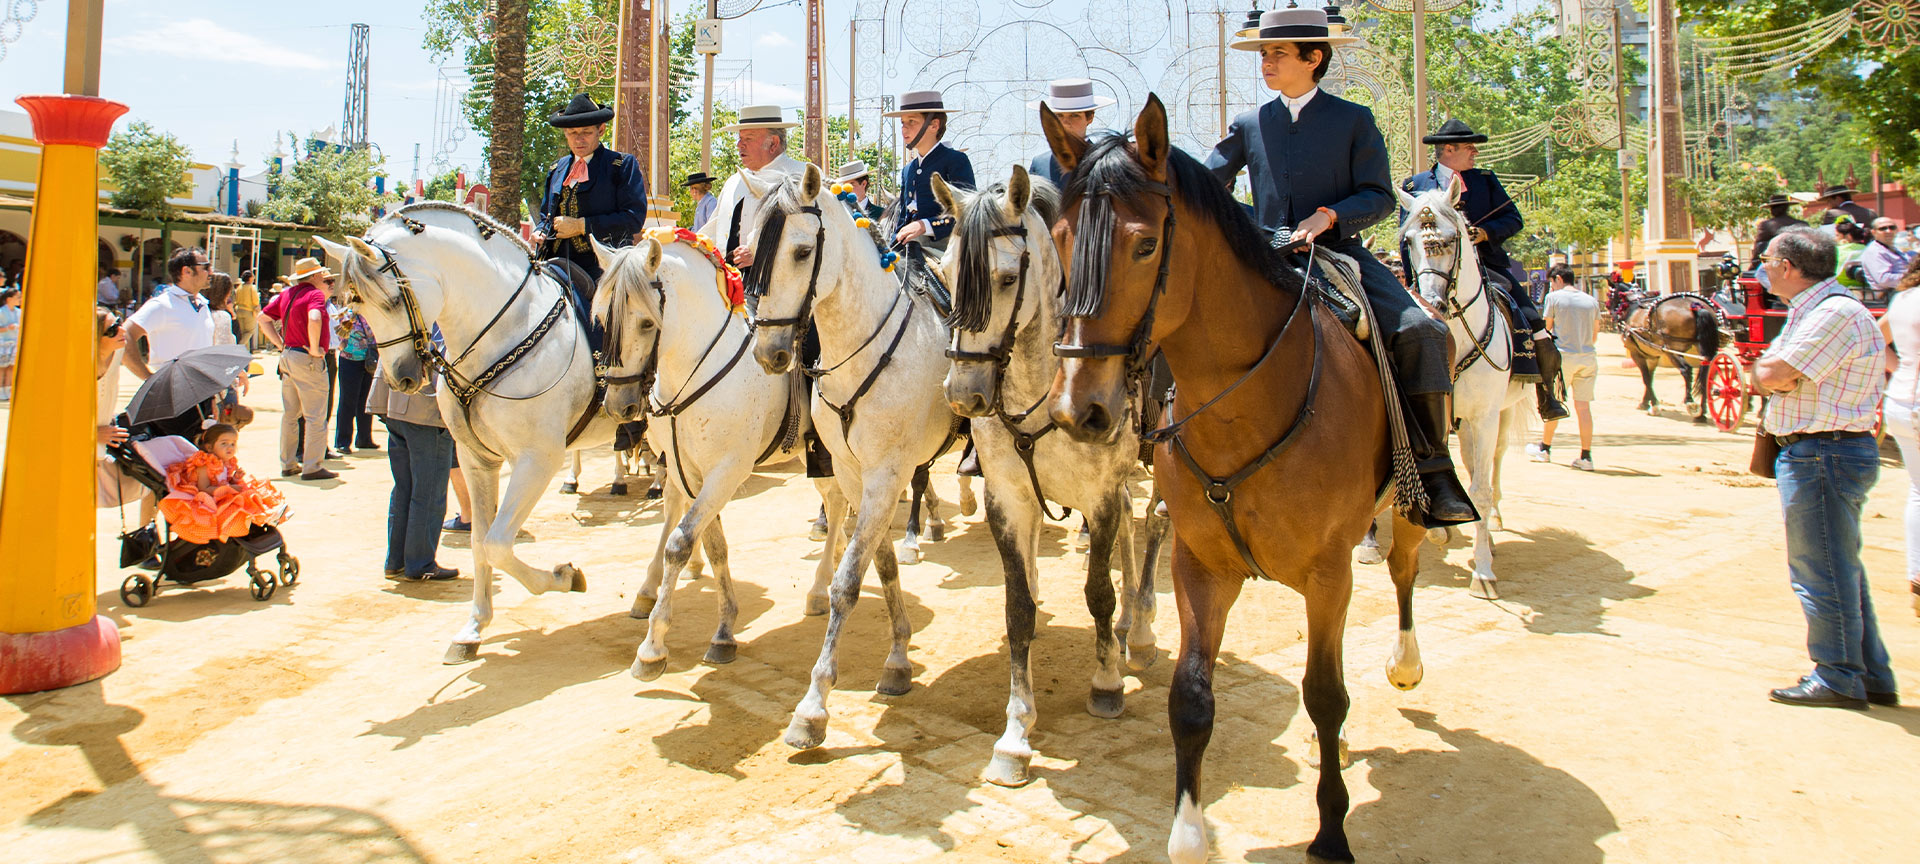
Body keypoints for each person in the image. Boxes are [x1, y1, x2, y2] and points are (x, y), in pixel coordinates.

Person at [1205, 7, 1475, 526]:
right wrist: (1253, 227)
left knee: (1421, 329)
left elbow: (1377, 196)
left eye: (1277, 53)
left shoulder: (1355, 120)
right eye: (1263, 54)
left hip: (1340, 254)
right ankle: (1164, 450)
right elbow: (1205, 186)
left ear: (1314, 57)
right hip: (1262, 258)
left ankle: (1434, 471)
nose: (1266, 62)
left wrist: (1328, 216)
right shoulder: (1247, 124)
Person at [1753, 225, 1895, 709]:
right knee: (1840, 569)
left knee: (1820, 572)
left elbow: (1769, 373)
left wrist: (1775, 379)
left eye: (1768, 259)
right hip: (1823, 450)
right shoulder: (1816, 310)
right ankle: (1869, 672)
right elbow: (1776, 376)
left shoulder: (1830, 314)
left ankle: (1836, 675)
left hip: (1822, 452)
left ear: (1788, 268)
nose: (1763, 266)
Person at [1401, 117, 1568, 423]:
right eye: (1469, 148)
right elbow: (1407, 237)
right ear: (1448, 150)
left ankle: (1548, 394)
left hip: (1485, 265)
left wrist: (1485, 232)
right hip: (1433, 271)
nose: (1475, 153)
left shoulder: (1485, 180)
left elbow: (1513, 219)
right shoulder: (1415, 186)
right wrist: (1413, 281)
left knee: (1535, 322)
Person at [532, 93, 649, 282]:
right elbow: (546, 216)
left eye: (586, 132)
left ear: (600, 130)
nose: (579, 139)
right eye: (572, 133)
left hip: (603, 266)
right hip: (553, 262)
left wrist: (581, 226)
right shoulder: (556, 169)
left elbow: (633, 219)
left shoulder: (620, 165)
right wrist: (540, 231)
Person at [367, 362, 460, 581]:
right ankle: (420, 563)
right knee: (428, 493)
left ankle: (396, 561)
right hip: (423, 409)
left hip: (395, 403)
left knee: (404, 489)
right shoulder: (434, 325)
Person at [260, 258, 338, 481]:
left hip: (289, 355)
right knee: (315, 416)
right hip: (307, 358)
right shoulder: (314, 294)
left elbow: (263, 318)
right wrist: (315, 348)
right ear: (314, 277)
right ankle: (312, 466)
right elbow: (314, 318)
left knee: (290, 414)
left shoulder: (287, 293)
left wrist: (280, 343)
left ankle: (288, 463)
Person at [702, 104, 805, 270]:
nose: (739, 145)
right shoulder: (733, 182)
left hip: (779, 290)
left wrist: (761, 255)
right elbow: (713, 230)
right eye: (740, 138)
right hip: (727, 287)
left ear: (773, 143)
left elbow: (810, 238)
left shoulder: (803, 177)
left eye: (748, 138)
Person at [156, 423, 289, 545]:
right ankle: (261, 517)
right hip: (206, 498)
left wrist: (235, 479)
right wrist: (228, 488)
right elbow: (203, 488)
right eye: (224, 443)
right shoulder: (204, 465)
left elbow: (225, 480)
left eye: (233, 444)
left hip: (220, 493)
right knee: (241, 501)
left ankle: (268, 514)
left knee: (250, 490)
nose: (230, 448)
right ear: (209, 447)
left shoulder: (225, 462)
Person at [884, 89, 974, 255]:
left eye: (912, 121)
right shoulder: (907, 170)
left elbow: (967, 214)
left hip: (944, 248)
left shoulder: (956, 160)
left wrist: (926, 225)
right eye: (902, 123)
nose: (904, 129)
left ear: (934, 125)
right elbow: (903, 219)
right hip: (907, 248)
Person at [1879, 257, 1920, 617]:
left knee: (1918, 493)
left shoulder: (1904, 299)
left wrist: (1901, 369)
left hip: (1902, 403)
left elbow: (1877, 340)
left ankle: (1917, 579)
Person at [1529, 266, 1601, 470]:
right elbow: (1595, 335)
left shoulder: (1554, 298)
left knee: (1555, 403)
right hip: (1588, 357)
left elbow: (1547, 329)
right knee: (1584, 408)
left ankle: (1545, 448)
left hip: (1563, 357)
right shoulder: (1591, 300)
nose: (1551, 286)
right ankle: (1586, 456)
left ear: (1558, 279)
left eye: (1552, 282)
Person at [124, 248, 216, 380]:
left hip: (201, 388)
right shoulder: (162, 305)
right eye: (206, 267)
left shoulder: (202, 303)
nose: (211, 272)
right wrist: (149, 378)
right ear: (187, 271)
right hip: (171, 389)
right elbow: (126, 334)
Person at [1028, 78, 1113, 186]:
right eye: (1059, 115)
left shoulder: (1105, 160)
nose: (1065, 123)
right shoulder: (1040, 163)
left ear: (1090, 118)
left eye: (1074, 115)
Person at [334, 308, 379, 454]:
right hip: (350, 359)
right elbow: (338, 335)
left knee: (366, 401)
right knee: (348, 401)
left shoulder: (373, 313)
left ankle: (364, 438)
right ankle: (343, 441)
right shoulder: (346, 315)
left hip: (369, 360)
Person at [1751, 193, 1807, 271]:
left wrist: (1753, 266)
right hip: (1803, 265)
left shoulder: (1766, 225)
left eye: (1774, 208)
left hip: (1778, 265)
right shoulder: (1803, 224)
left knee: (1759, 274)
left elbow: (1758, 248)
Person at [1862, 217, 1913, 298]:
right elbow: (1884, 280)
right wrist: (1913, 278)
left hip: (1905, 289)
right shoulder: (1874, 251)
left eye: (1892, 227)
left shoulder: (1895, 249)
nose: (1888, 231)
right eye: (1882, 228)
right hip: (1890, 294)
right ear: (1873, 232)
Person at [234, 269, 262, 350]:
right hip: (248, 311)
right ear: (250, 278)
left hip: (239, 310)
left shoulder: (239, 287)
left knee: (244, 334)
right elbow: (256, 301)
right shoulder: (252, 287)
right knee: (249, 332)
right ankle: (239, 347)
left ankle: (246, 352)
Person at [0, 287, 19, 402]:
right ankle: (0, 389)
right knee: (2, 367)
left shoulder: (19, 312)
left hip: (14, 341)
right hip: (3, 342)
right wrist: (7, 328)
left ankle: (8, 389)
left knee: (11, 367)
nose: (19, 299)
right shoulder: (1, 312)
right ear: (9, 299)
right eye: (17, 297)